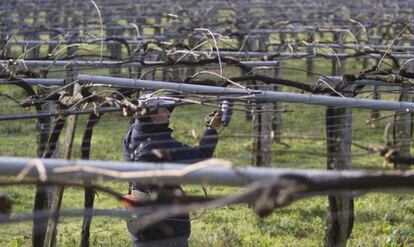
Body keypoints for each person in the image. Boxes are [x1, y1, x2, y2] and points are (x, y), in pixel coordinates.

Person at [123, 94, 222, 247]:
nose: (169, 114)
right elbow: (201, 156)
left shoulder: (133, 132)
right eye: (164, 110)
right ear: (154, 117)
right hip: (167, 224)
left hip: (141, 217)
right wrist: (212, 129)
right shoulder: (161, 143)